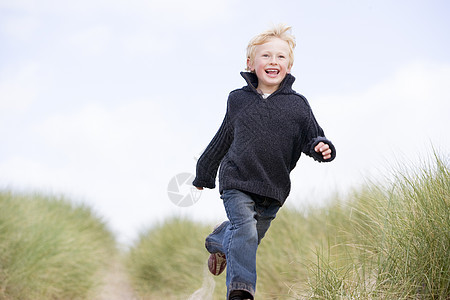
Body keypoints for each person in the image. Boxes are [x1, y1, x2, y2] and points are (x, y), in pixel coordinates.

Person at [192, 24, 336, 300]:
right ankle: (241, 291)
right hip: (237, 180)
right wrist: (204, 173)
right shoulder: (238, 100)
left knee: (248, 238)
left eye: (280, 57)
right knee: (244, 230)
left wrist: (321, 147)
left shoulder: (298, 105)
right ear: (250, 63)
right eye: (266, 56)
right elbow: (223, 137)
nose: (273, 61)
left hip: (274, 187)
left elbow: (313, 136)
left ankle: (218, 240)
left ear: (289, 67)